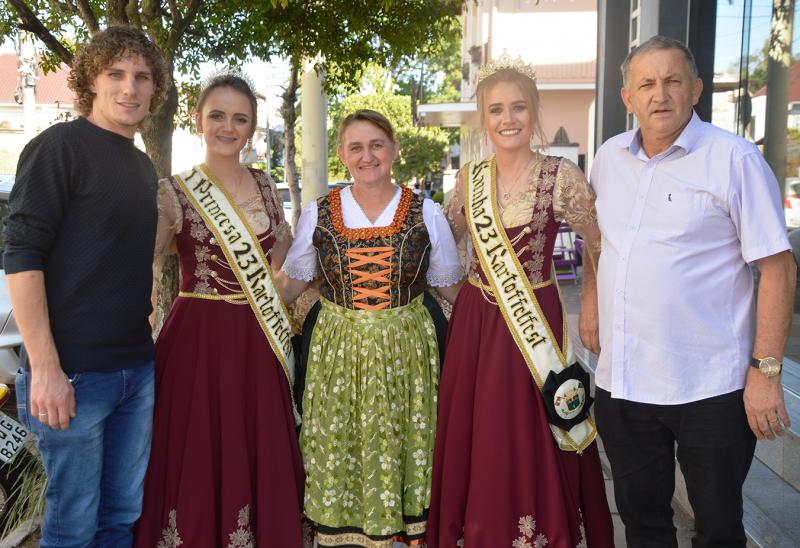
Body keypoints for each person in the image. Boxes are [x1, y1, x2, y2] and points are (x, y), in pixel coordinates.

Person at [586, 35, 796, 548]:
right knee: (643, 523)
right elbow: (598, 242)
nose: (660, 94)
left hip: (711, 388)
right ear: (627, 98)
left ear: (696, 89)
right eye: (647, 84)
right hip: (625, 383)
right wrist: (589, 304)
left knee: (719, 527)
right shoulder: (609, 158)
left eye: (673, 81)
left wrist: (766, 373)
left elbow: (779, 269)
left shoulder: (735, 159)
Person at [427, 54, 614, 547]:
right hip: (477, 323)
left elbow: (598, 246)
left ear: (534, 112)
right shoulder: (469, 179)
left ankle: (539, 528)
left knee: (536, 425)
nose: (507, 120)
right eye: (495, 110)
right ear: (483, 119)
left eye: (517, 108)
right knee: (481, 428)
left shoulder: (561, 175)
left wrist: (590, 303)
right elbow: (445, 248)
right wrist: (456, 297)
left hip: (537, 318)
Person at [3, 26, 168, 546]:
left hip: (135, 370)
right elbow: (22, 258)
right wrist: (46, 368)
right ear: (90, 81)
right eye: (115, 74)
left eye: (142, 77)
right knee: (72, 524)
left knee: (120, 516)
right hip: (72, 376)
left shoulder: (143, 166)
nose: (130, 87)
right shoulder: (58, 149)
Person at [275, 109, 463, 547]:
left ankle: (406, 533)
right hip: (338, 352)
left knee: (405, 442)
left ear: (394, 149)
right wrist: (238, 313)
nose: (367, 156)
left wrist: (500, 329)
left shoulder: (426, 211)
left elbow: (454, 288)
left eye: (376, 144)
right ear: (342, 154)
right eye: (356, 147)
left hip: (408, 352)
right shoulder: (318, 213)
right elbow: (290, 283)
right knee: (342, 445)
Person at [134, 72, 305, 546]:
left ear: (251, 127)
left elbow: (281, 263)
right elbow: (144, 264)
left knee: (254, 442)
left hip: (258, 339)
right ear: (198, 120)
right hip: (198, 342)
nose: (228, 127)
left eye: (240, 118)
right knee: (197, 446)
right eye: (217, 116)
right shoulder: (174, 191)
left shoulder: (267, 186)